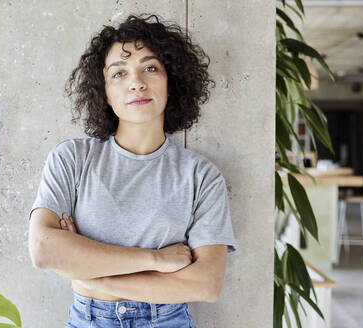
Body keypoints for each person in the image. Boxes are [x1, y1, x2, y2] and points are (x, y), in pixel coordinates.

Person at [28, 13, 236, 328]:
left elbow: (205, 284)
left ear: (171, 81)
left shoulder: (201, 176)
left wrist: (93, 277)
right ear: (105, 93)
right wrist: (155, 260)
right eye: (119, 74)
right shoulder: (73, 158)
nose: (136, 82)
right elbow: (44, 249)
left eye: (150, 68)